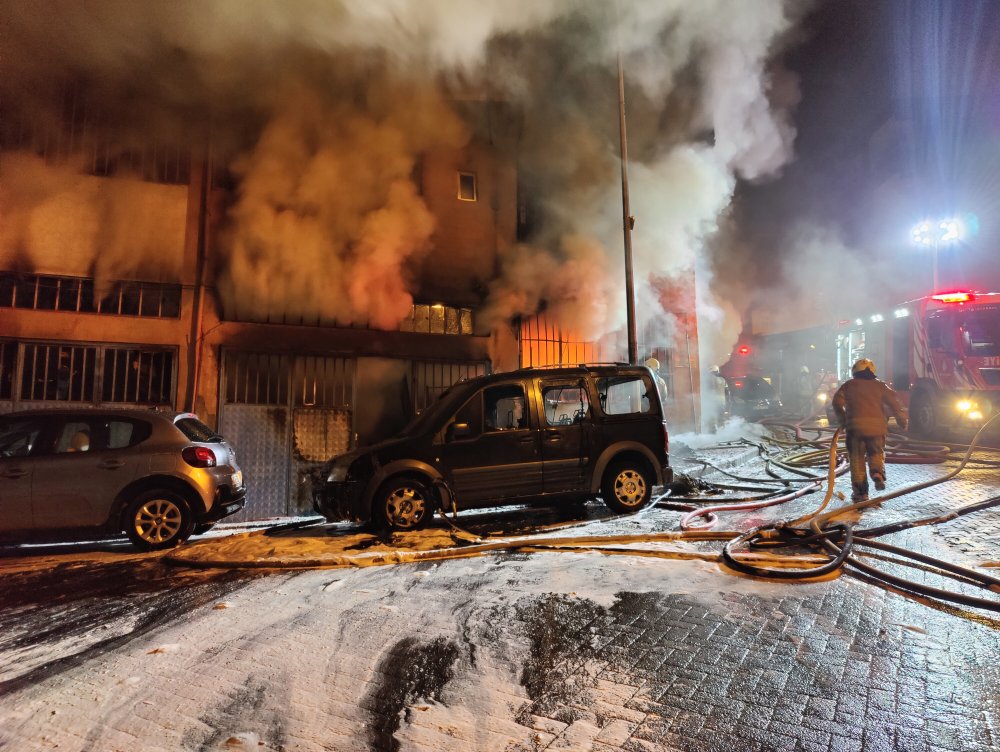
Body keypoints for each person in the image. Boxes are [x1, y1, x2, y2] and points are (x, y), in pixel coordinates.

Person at [832, 358, 908, 502]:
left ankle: (861, 494)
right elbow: (895, 402)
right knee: (876, 453)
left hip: (855, 430)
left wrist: (842, 420)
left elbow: (836, 402)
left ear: (855, 371)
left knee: (857, 460)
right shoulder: (881, 386)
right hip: (877, 429)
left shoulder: (848, 385)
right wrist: (901, 420)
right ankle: (877, 474)